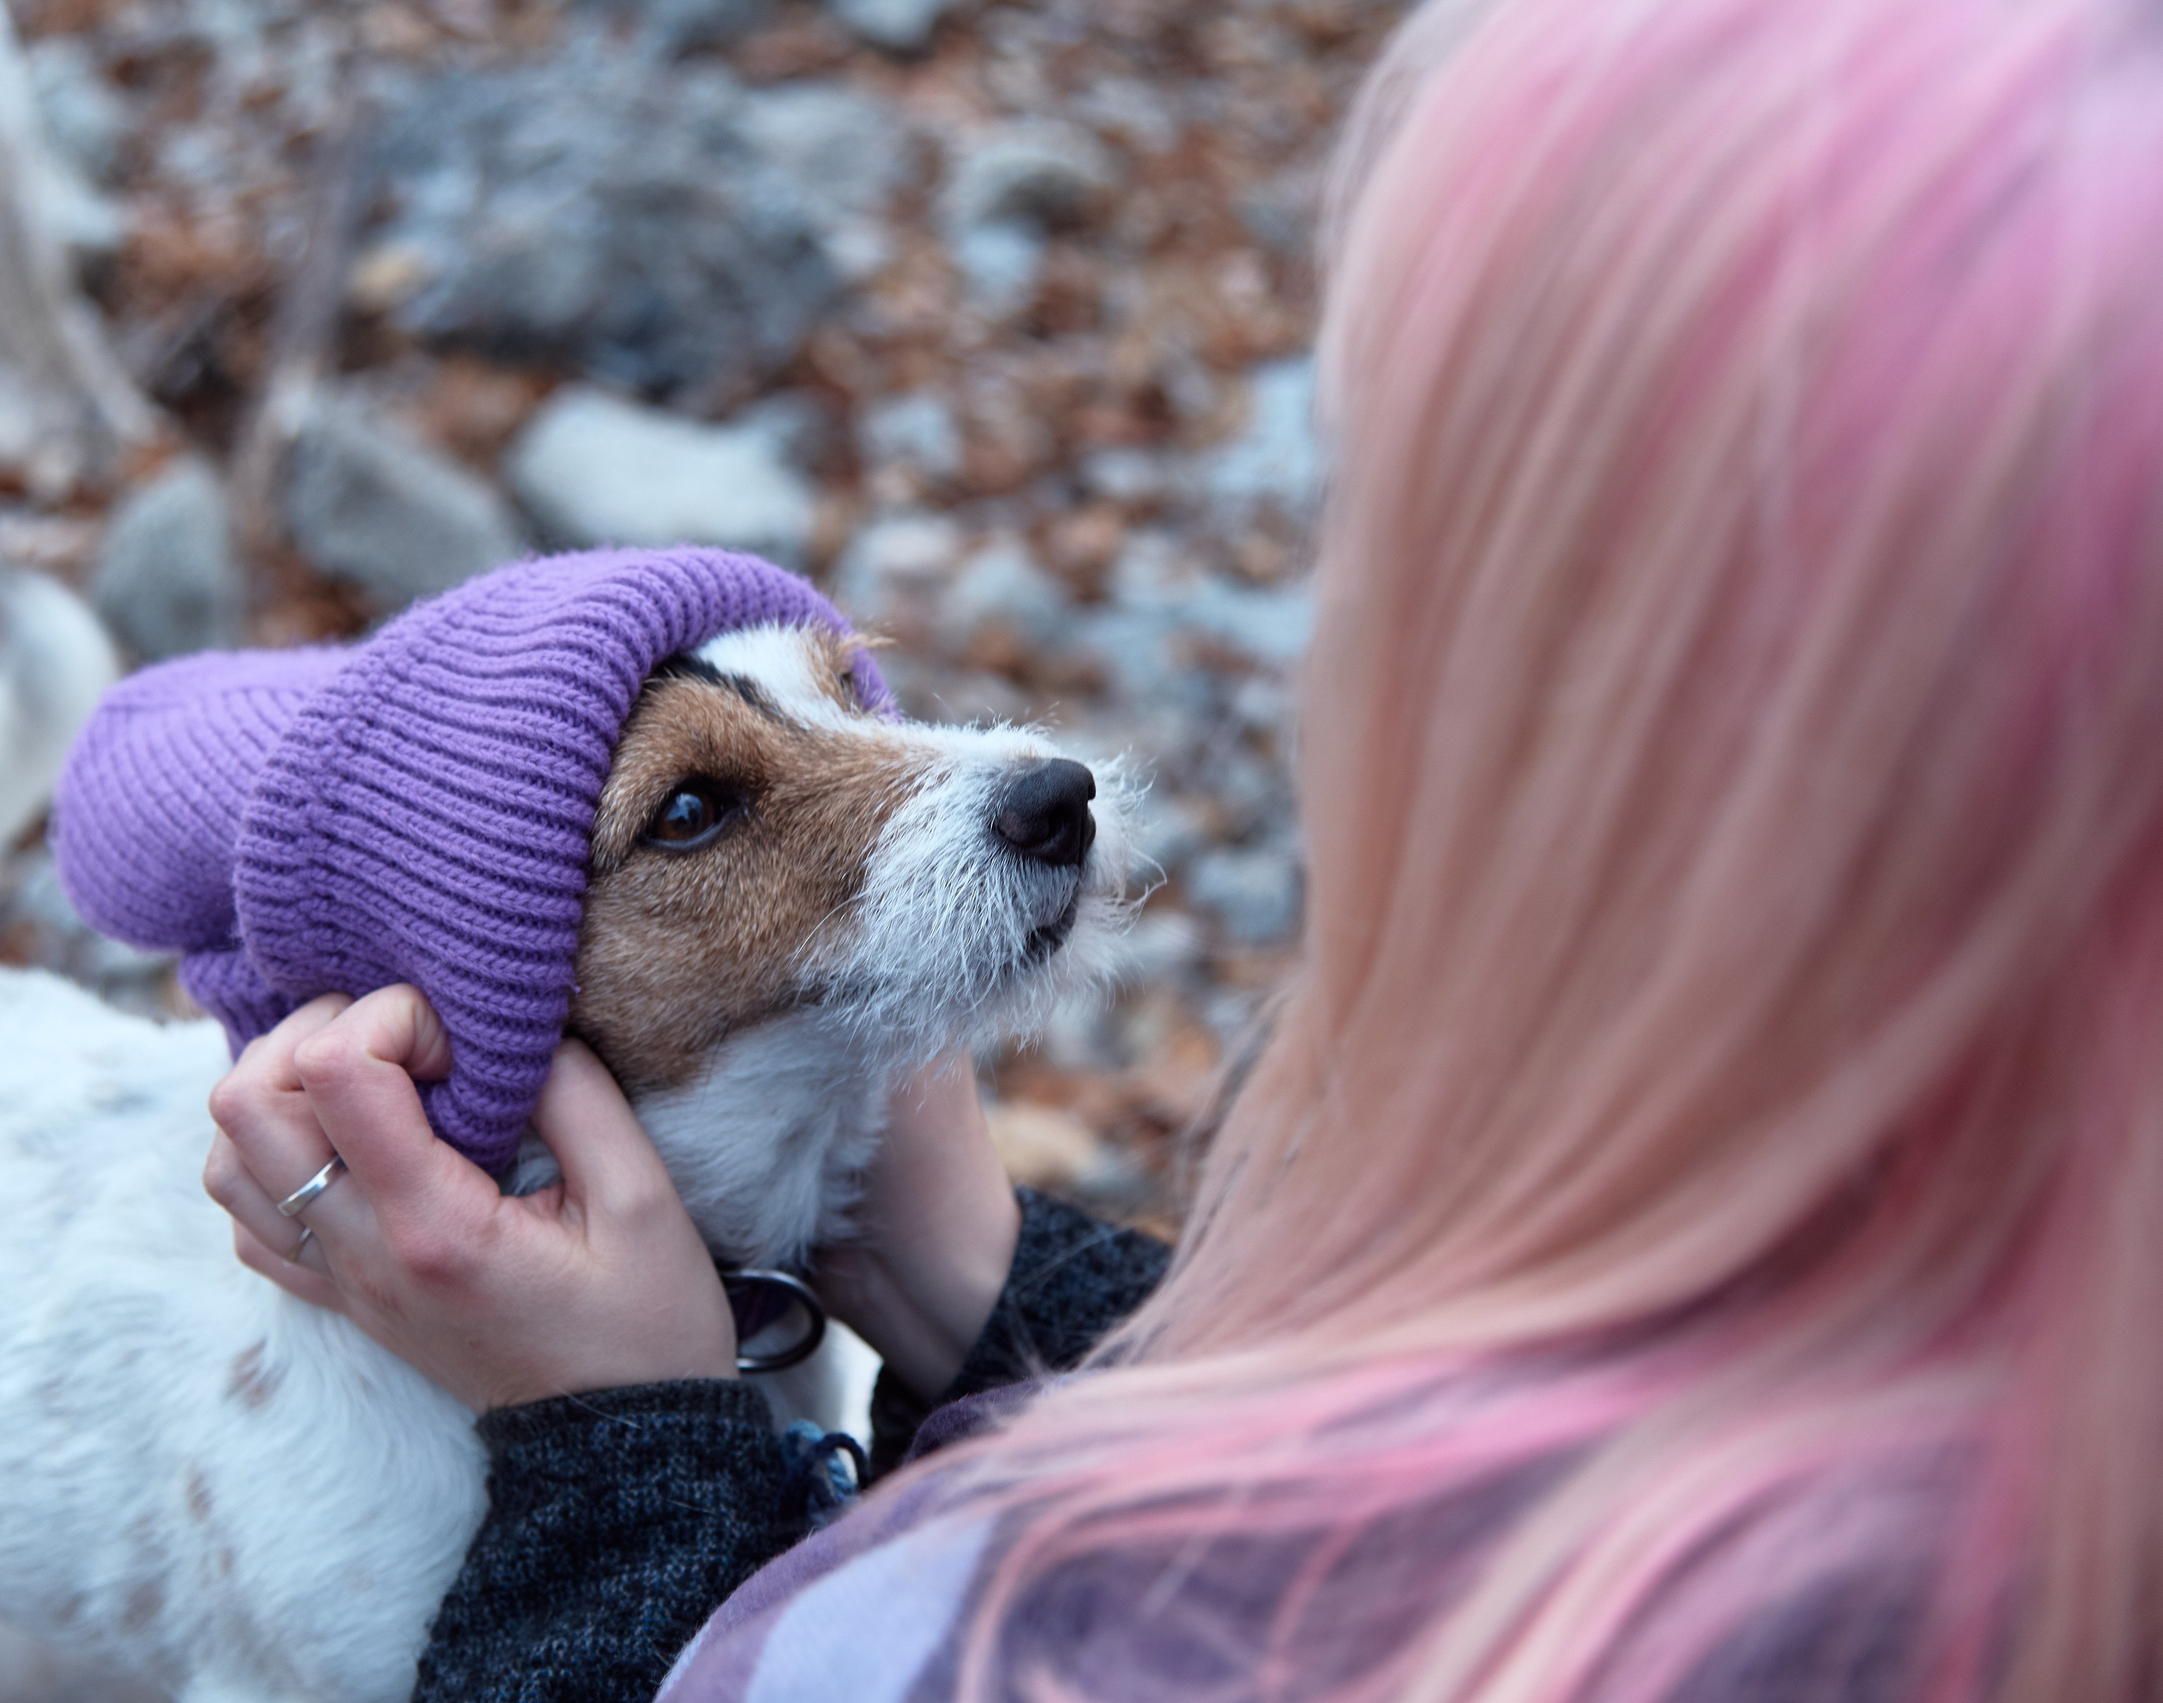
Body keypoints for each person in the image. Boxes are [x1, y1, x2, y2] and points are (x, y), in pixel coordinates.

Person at [202, 0, 2163, 1695]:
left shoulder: (1001, 1648)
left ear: (1623, 772)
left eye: (1379, 548)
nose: (1318, 654)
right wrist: (990, 1294)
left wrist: (615, 1463)